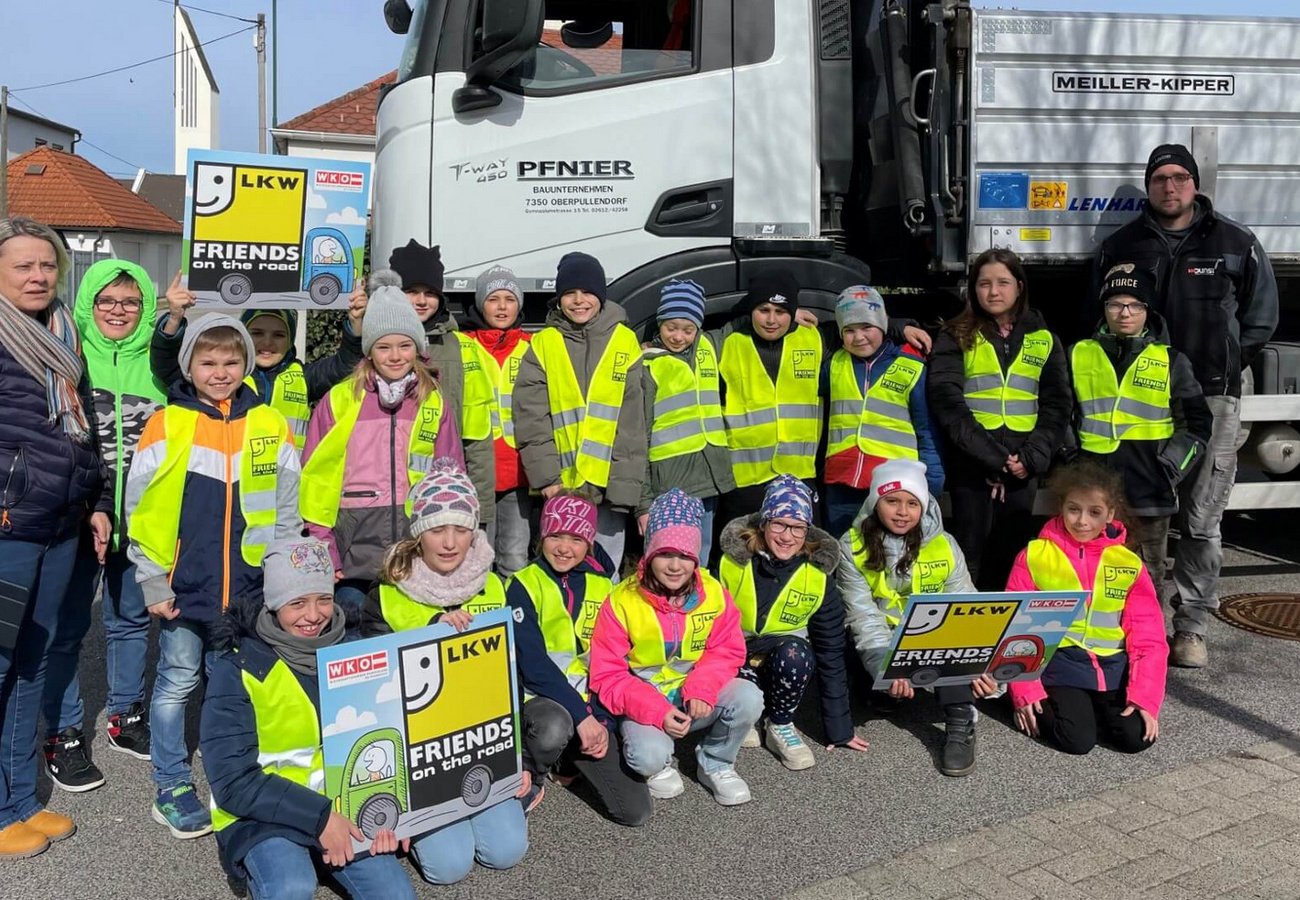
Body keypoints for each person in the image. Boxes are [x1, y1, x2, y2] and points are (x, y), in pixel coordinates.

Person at [1094, 143, 1279, 668]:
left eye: (1179, 177)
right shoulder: (1122, 245)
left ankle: (1191, 625)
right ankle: (1137, 622)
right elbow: (1098, 312)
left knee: (1201, 518)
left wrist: (1221, 365)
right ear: (1149, 185)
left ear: (1194, 184)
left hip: (1213, 399)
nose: (1169, 187)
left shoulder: (1236, 242)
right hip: (1141, 402)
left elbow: (1261, 318)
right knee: (1136, 516)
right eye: (1159, 179)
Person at [126, 314, 302, 840]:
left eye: (231, 362)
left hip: (253, 589)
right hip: (185, 585)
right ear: (189, 366)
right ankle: (171, 783)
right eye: (208, 362)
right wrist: (152, 579)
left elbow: (287, 508)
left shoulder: (269, 424)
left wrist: (286, 578)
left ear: (247, 364)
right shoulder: (167, 423)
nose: (221, 372)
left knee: (240, 684)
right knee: (177, 681)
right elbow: (142, 508)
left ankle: (241, 771)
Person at [202, 539, 417, 900]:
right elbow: (232, 781)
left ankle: (323, 852)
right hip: (264, 815)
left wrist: (397, 812)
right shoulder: (238, 669)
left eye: (324, 599)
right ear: (273, 604)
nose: (314, 614)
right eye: (297, 602)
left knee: (397, 896)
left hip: (343, 806)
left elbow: (387, 736)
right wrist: (319, 820)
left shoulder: (356, 652)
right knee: (290, 887)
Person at [360, 460, 528, 885]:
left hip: (481, 746)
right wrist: (430, 639)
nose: (450, 542)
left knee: (508, 851)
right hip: (420, 758)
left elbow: (514, 677)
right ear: (418, 534)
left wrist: (518, 757)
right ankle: (427, 826)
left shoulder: (496, 586)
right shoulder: (385, 596)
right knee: (448, 867)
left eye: (461, 528)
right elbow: (370, 691)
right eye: (437, 529)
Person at [0, 217, 107, 858]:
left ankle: (18, 801)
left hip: (60, 525)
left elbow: (83, 428)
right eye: (23, 266)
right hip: (10, 528)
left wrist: (93, 499)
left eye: (47, 265)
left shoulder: (63, 333)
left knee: (32, 666)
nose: (39, 276)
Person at [42, 260, 167, 795]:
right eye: (107, 301)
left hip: (142, 518)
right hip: (77, 515)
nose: (118, 311)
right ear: (89, 303)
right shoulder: (70, 356)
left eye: (130, 302)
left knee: (130, 621)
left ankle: (124, 715)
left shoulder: (161, 365)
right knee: (66, 628)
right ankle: (64, 732)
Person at [589, 489, 764, 806]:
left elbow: (727, 650)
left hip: (695, 695)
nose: (674, 566)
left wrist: (702, 688)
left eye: (684, 556)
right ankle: (658, 761)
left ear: (696, 557)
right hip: (646, 703)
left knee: (749, 696)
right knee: (648, 758)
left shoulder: (713, 592)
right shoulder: (621, 601)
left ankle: (716, 761)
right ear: (649, 554)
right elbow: (607, 676)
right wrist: (657, 710)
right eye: (665, 554)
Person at [299, 286, 462, 624]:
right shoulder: (341, 399)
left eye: (405, 346)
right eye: (383, 346)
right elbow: (315, 479)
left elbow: (452, 476)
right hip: (352, 552)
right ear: (369, 351)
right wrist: (323, 545)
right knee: (354, 639)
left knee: (412, 638)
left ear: (417, 349)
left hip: (416, 548)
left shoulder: (432, 401)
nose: (395, 356)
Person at [836, 459, 998, 776]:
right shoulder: (850, 546)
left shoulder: (945, 544)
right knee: (869, 677)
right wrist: (887, 668)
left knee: (952, 639)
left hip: (932, 637)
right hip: (882, 639)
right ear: (875, 502)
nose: (902, 512)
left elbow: (966, 606)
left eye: (912, 503)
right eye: (892, 500)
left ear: (924, 506)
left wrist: (977, 661)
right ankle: (883, 689)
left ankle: (960, 717)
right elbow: (863, 617)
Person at [505, 491, 653, 826]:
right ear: (542, 536)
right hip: (543, 701)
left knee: (635, 811)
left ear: (589, 542)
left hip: (590, 701)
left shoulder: (604, 587)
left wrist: (600, 721)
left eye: (575, 538)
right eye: (555, 535)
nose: (563, 547)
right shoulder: (521, 585)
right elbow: (534, 664)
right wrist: (583, 717)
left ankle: (567, 761)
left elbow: (611, 660)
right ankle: (533, 773)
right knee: (553, 728)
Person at [928, 248, 1071, 590]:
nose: (993, 292)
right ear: (972, 290)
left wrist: (1031, 459)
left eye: (1003, 283)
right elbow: (947, 403)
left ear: (1019, 287)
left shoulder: (1045, 339)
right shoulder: (955, 335)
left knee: (1013, 556)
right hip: (973, 465)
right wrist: (993, 459)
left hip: (1024, 467)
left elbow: (1058, 404)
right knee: (968, 556)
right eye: (984, 283)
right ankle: (968, 636)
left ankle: (1005, 638)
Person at [1006, 460, 1168, 755]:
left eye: (1095, 513)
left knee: (1137, 738)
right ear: (1061, 507)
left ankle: (1092, 709)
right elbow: (1016, 629)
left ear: (1111, 514)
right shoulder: (1034, 555)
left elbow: (1150, 636)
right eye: (1074, 509)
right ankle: (1076, 710)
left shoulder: (1128, 563)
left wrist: (1145, 697)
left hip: (1112, 666)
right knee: (1077, 741)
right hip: (1059, 665)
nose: (1082, 521)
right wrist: (1023, 693)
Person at [1070, 264, 1212, 583]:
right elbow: (1062, 413)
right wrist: (1069, 461)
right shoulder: (1077, 354)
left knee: (1146, 577)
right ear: (1104, 309)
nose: (1124, 313)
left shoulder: (1172, 360)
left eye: (1135, 305)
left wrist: (1170, 468)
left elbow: (1198, 424)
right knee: (1089, 574)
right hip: (1090, 490)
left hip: (1149, 488)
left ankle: (1147, 636)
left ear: (1147, 311)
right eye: (1115, 304)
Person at [718, 476, 868, 770]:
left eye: (798, 527)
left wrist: (840, 729)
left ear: (807, 531)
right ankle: (744, 712)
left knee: (797, 655)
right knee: (726, 657)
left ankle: (780, 723)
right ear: (763, 523)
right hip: (735, 655)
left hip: (783, 658)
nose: (787, 536)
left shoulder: (818, 576)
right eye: (779, 524)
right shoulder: (730, 562)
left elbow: (830, 649)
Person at [513, 252, 646, 574]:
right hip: (561, 483)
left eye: (587, 293)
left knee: (607, 565)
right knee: (561, 563)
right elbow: (531, 417)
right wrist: (546, 477)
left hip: (608, 485)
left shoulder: (624, 341)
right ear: (558, 300)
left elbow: (634, 422)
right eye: (569, 294)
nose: (578, 301)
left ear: (601, 296)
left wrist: (625, 486)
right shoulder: (544, 343)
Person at [152, 273, 368, 450]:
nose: (267, 342)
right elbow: (167, 368)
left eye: (278, 335)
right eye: (256, 333)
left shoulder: (305, 377)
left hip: (288, 482)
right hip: (233, 480)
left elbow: (346, 365)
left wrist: (356, 322)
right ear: (243, 336)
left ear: (290, 340)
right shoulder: (226, 376)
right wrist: (174, 319)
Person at [375, 239, 497, 528]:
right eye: (411, 292)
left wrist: (480, 508)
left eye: (430, 293)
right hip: (381, 492)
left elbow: (477, 436)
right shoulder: (374, 344)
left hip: (443, 492)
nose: (420, 301)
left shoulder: (461, 349)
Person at [822, 285, 943, 537]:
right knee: (844, 559)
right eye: (849, 330)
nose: (859, 337)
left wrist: (931, 485)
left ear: (883, 325)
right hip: (842, 485)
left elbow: (926, 431)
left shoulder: (911, 365)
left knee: (890, 560)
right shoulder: (833, 362)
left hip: (894, 489)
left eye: (867, 327)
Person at [715, 272, 825, 531]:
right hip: (744, 482)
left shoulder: (816, 338)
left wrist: (900, 325)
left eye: (781, 311)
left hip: (799, 476)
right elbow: (683, 339)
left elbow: (863, 334)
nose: (772, 319)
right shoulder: (728, 342)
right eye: (763, 310)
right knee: (738, 557)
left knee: (801, 555)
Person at [638, 279, 734, 565]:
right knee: (667, 556)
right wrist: (643, 502)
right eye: (671, 328)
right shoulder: (648, 364)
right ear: (659, 325)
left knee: (700, 556)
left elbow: (742, 325)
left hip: (709, 478)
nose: (679, 337)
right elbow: (638, 436)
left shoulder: (709, 346)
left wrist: (794, 315)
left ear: (699, 328)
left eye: (688, 329)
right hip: (670, 484)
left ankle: (696, 607)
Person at [462, 266, 533, 578]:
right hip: (477, 471)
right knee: (476, 560)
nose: (502, 307)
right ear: (480, 305)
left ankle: (516, 622)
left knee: (515, 558)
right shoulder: (463, 345)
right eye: (493, 299)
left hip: (520, 473)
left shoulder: (533, 347)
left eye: (509, 298)